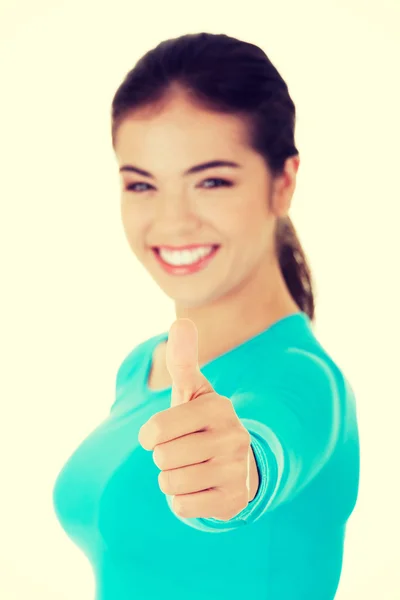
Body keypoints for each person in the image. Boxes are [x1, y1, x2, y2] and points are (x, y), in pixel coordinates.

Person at [52, 32, 360, 600]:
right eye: (142, 184)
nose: (172, 222)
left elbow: (264, 448)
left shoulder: (305, 378)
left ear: (283, 182)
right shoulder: (141, 367)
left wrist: (244, 471)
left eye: (211, 181)